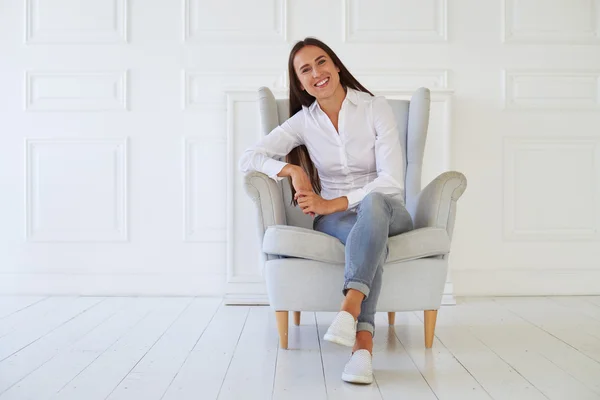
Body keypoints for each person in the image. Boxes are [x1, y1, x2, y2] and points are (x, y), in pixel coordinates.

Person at [238, 37, 414, 384]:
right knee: (369, 242)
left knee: (375, 205)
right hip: (338, 222)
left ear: (335, 65)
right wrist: (292, 170)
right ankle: (362, 348)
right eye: (306, 70)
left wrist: (331, 202)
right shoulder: (303, 122)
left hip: (389, 210)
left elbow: (392, 181)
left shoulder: (374, 107)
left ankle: (349, 310)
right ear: (300, 83)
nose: (317, 73)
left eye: (322, 62)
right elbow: (249, 158)